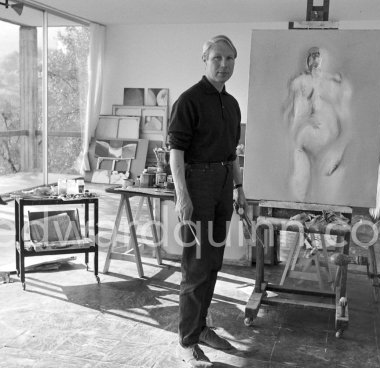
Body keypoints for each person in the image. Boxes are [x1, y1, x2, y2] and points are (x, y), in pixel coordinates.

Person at [168, 35, 246, 368]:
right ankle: (185, 343)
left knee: (213, 263)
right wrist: (182, 194)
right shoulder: (188, 100)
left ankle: (201, 329)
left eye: (230, 59)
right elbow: (176, 152)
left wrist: (239, 189)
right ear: (205, 59)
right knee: (196, 266)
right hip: (197, 184)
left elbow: (232, 156)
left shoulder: (232, 105)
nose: (224, 64)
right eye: (217, 58)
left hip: (223, 185)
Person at [283, 46, 352, 203]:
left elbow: (345, 120)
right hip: (304, 144)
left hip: (329, 147)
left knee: (326, 201)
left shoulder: (334, 84)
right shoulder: (299, 83)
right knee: (299, 193)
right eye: (311, 57)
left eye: (318, 56)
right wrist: (294, 140)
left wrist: (338, 150)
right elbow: (290, 114)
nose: (315, 60)